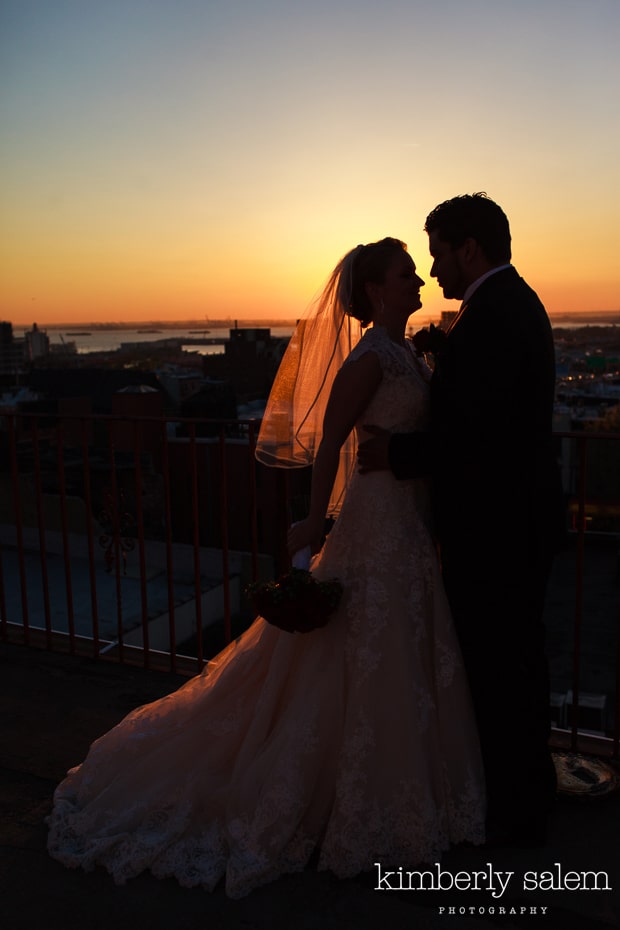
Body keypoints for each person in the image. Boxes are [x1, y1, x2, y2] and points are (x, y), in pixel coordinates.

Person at [47, 238, 485, 899]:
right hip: (375, 524)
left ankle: (394, 792)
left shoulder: (404, 353)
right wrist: (314, 524)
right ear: (373, 291)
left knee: (395, 651)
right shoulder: (367, 359)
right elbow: (328, 445)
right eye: (404, 275)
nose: (418, 282)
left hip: (408, 525)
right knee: (366, 650)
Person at [358, 195, 563, 847]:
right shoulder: (504, 307)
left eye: (440, 253)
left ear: (469, 249)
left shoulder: (496, 316)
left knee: (502, 670)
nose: (434, 269)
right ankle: (520, 796)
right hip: (510, 524)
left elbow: (479, 438)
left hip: (497, 533)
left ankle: (515, 811)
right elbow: (483, 407)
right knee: (513, 664)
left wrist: (397, 452)